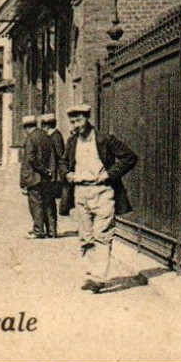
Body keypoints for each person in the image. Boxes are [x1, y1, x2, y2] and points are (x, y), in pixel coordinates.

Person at [62, 103, 138, 293]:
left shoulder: (105, 140)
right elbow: (63, 162)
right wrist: (67, 174)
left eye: (79, 120)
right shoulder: (72, 142)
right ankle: (90, 274)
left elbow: (130, 157)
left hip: (102, 192)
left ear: (88, 118)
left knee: (102, 235)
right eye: (72, 121)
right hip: (80, 192)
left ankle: (98, 278)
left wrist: (110, 174)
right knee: (86, 236)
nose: (75, 124)